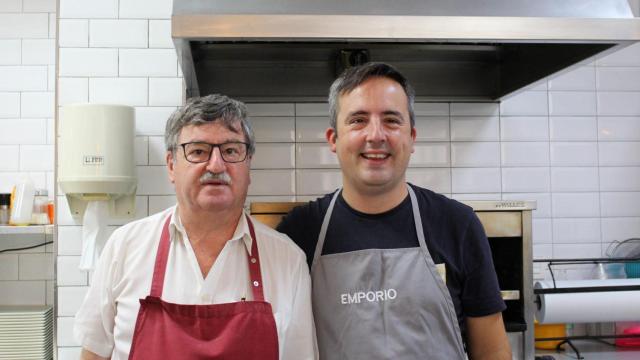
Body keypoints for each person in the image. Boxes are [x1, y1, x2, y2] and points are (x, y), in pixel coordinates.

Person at [277, 63, 511, 360]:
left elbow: (493, 352)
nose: (376, 135)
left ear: (412, 137)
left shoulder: (457, 225)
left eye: (391, 120)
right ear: (333, 140)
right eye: (358, 120)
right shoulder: (299, 233)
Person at [75, 94, 317, 360]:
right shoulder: (124, 247)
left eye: (231, 150)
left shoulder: (288, 260)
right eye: (198, 151)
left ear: (248, 165)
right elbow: (93, 354)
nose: (216, 165)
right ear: (171, 166)